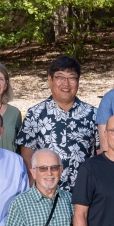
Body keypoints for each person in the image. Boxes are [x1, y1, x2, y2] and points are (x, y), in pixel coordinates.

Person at [18, 55, 99, 192]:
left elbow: (101, 155)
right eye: (60, 77)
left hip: (84, 194)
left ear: (78, 81)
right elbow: (27, 158)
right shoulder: (35, 114)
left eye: (72, 78)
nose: (66, 84)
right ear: (50, 79)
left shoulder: (93, 114)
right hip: (47, 193)